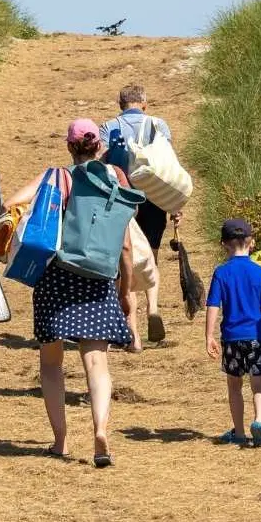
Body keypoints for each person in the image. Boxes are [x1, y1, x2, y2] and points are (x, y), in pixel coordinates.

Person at [5, 118, 138, 468]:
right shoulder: (116, 179)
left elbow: (12, 202)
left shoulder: (59, 176)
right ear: (100, 147)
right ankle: (101, 430)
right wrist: (126, 290)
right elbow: (124, 244)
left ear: (69, 147)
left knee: (51, 363)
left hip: (56, 277)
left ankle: (61, 440)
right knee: (96, 361)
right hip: (98, 277)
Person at [102, 85, 176, 341]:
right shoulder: (159, 125)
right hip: (154, 197)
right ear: (144, 103)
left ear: (120, 104)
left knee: (126, 260)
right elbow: (169, 165)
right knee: (151, 257)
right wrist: (175, 204)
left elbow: (102, 163)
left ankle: (130, 330)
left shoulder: (109, 127)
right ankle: (153, 309)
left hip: (123, 198)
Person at [205, 218, 261, 447]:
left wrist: (209, 336)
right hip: (255, 336)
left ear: (224, 243)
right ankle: (260, 420)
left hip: (231, 337)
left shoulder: (222, 273)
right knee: (259, 382)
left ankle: (240, 433)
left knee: (234, 386)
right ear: (251, 242)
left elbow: (213, 305)